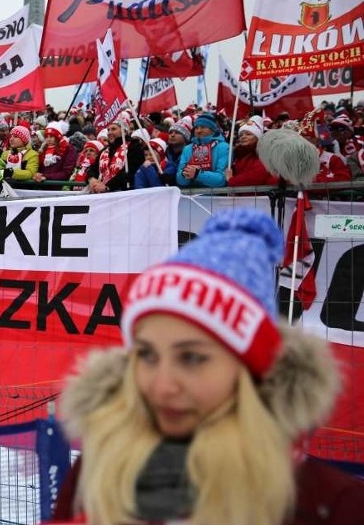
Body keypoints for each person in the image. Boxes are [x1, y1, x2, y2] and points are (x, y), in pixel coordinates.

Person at [51, 208, 362, 524]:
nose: (162, 385)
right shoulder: (98, 469)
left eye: (192, 358)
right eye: (146, 355)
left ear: (251, 367)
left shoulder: (331, 505)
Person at [176, 112, 229, 188]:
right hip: (190, 197)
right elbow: (179, 180)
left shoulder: (223, 147)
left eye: (203, 127)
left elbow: (222, 179)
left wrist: (198, 174)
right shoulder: (187, 149)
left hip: (215, 197)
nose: (199, 131)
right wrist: (185, 174)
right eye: (196, 128)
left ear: (212, 129)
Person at [225, 118, 278, 187]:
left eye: (248, 134)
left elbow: (256, 177)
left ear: (257, 137)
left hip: (259, 196)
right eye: (241, 135)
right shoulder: (239, 155)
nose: (243, 137)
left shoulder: (263, 154)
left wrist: (231, 180)